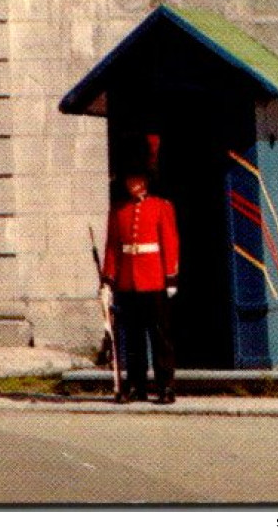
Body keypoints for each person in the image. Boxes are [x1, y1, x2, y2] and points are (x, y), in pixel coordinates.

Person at [101, 170, 181, 404]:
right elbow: (113, 247)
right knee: (133, 338)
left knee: (160, 337)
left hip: (154, 279)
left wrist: (171, 277)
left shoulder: (161, 206)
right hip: (128, 282)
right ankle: (136, 385)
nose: (132, 184)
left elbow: (170, 242)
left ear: (146, 181)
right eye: (129, 179)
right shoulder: (118, 209)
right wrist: (108, 279)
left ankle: (165, 386)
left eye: (136, 179)